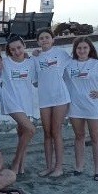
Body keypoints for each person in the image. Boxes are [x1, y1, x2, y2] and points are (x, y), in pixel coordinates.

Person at [65, 36, 98, 181]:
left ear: (90, 49)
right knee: (79, 136)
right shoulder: (69, 64)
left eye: (85, 48)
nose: (82, 50)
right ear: (75, 50)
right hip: (75, 106)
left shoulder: (97, 64)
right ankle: (79, 167)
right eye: (79, 48)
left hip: (93, 106)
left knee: (96, 137)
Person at [33, 28, 71, 178]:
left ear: (53, 39)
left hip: (60, 97)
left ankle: (58, 167)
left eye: (47, 37)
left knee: (56, 132)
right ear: (38, 41)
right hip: (44, 99)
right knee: (47, 133)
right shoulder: (35, 58)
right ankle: (49, 167)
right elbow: (34, 81)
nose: (44, 40)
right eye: (41, 38)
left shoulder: (61, 53)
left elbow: (75, 62)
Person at [0, 35, 38, 176]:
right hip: (11, 101)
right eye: (13, 49)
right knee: (31, 130)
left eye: (19, 48)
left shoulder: (31, 62)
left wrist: (37, 54)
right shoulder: (4, 63)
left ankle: (21, 166)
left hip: (26, 102)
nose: (17, 51)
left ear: (24, 46)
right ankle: (16, 162)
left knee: (23, 134)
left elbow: (36, 81)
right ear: (9, 51)